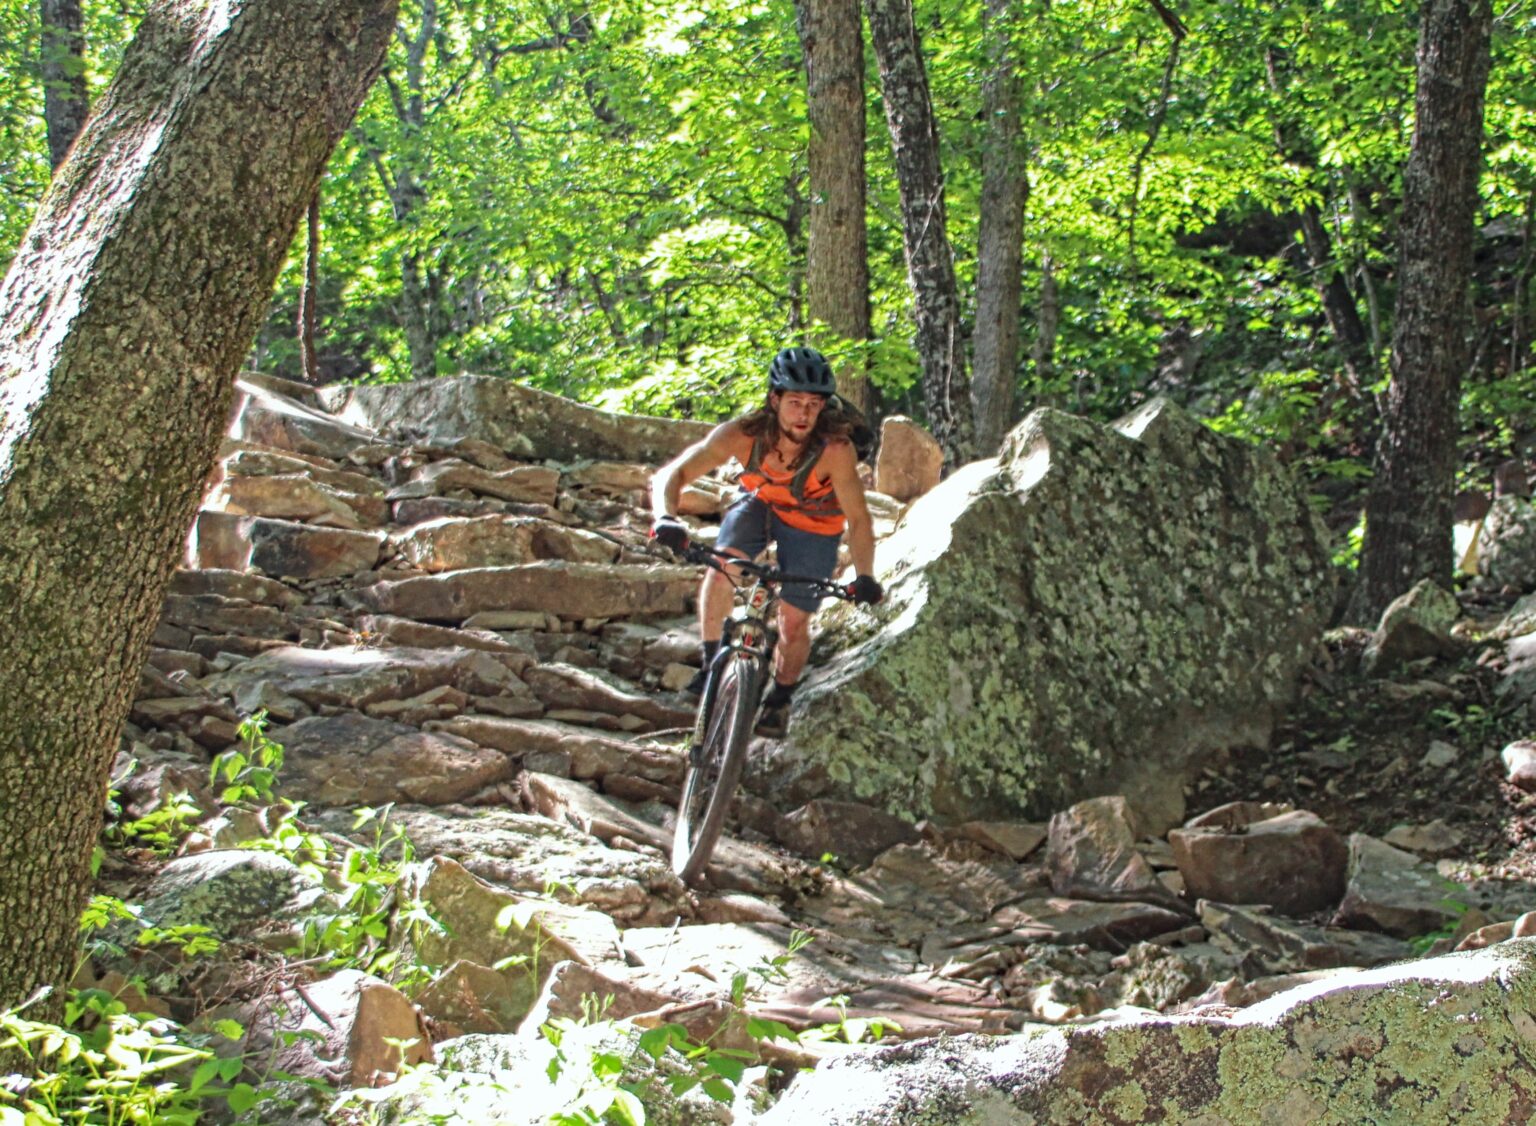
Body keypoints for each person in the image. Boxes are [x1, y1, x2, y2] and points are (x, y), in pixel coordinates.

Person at [649, 346, 883, 731]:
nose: (804, 414)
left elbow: (858, 519)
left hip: (815, 523)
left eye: (813, 404)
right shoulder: (743, 434)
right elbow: (671, 475)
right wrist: (665, 518)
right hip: (761, 502)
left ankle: (780, 698)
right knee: (724, 565)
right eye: (795, 402)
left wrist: (866, 576)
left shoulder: (835, 450)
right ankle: (711, 665)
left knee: (792, 623)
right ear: (774, 399)